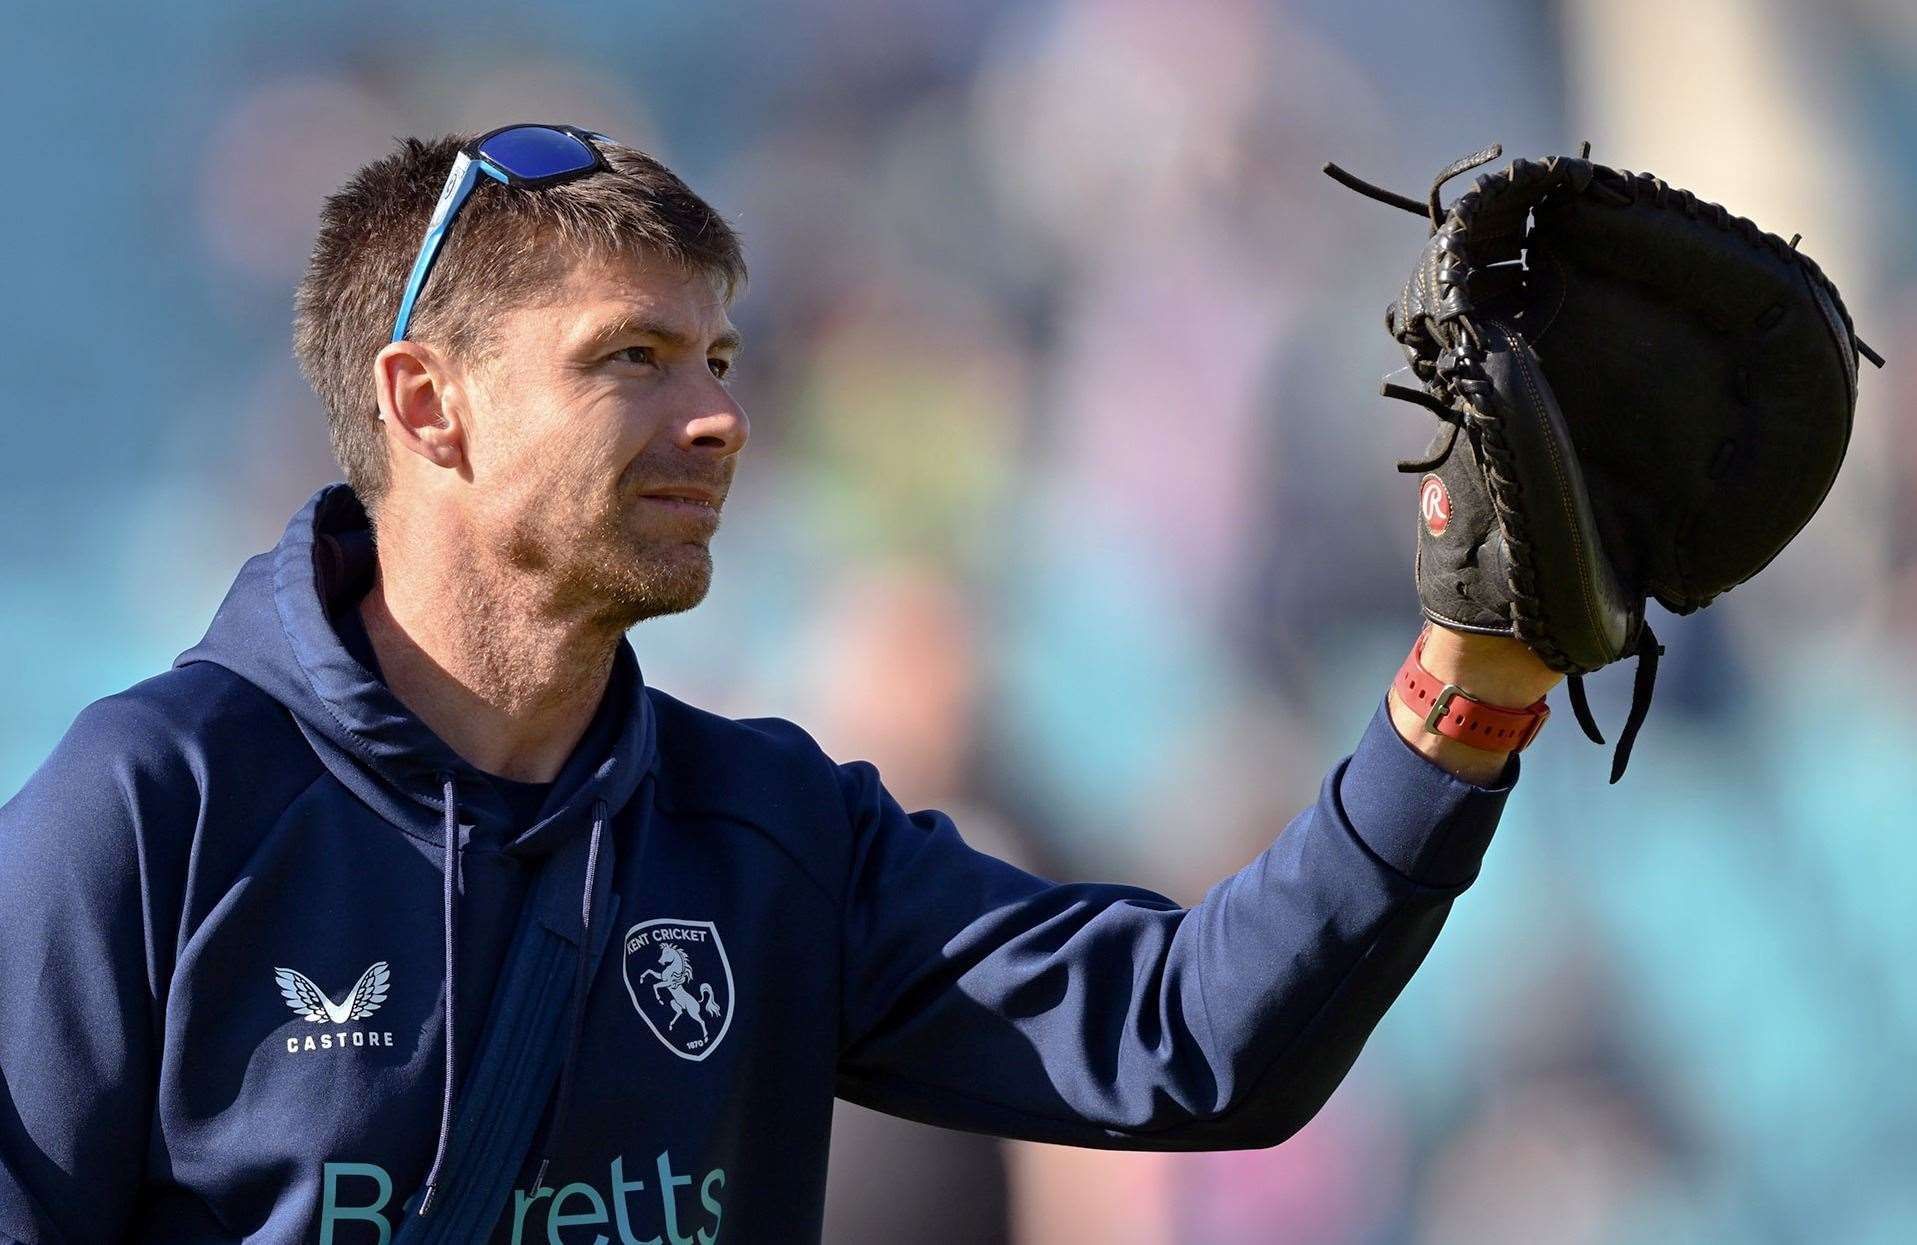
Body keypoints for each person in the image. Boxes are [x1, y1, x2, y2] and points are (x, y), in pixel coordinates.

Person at [0, 125, 1561, 1245]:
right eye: (630, 360)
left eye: (723, 362)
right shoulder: (157, 807)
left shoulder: (769, 831)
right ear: (428, 403)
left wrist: (1465, 688)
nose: (719, 419)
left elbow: (1190, 1039)